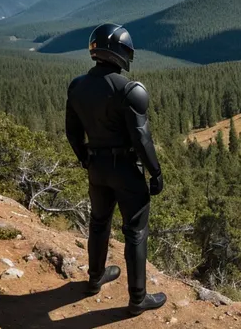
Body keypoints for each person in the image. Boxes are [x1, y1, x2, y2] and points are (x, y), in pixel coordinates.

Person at [65, 23, 166, 316]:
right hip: (125, 169)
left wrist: (86, 159)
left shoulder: (76, 86)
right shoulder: (131, 90)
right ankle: (138, 299)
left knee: (98, 222)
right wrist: (155, 173)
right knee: (135, 231)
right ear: (121, 52)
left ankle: (95, 278)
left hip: (96, 166)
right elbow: (142, 138)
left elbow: (72, 133)